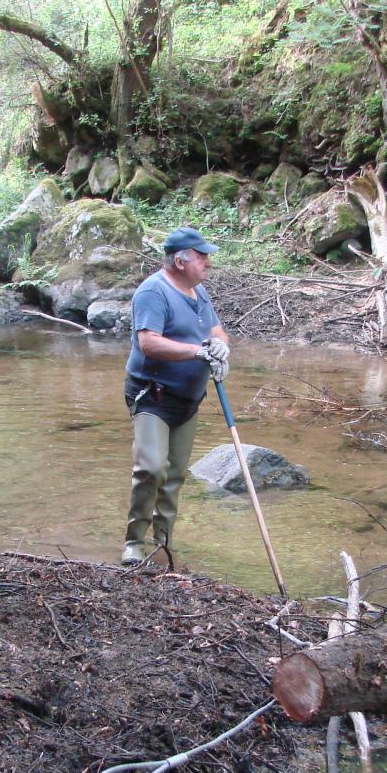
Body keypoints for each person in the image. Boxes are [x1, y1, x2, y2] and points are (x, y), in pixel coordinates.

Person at [122, 226, 231, 566]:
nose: (208, 263)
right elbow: (148, 342)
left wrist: (221, 347)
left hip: (188, 399)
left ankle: (163, 543)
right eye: (202, 257)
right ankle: (134, 543)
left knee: (175, 475)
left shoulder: (198, 291)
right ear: (180, 261)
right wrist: (197, 353)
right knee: (152, 468)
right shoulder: (153, 292)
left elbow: (215, 330)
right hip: (152, 395)